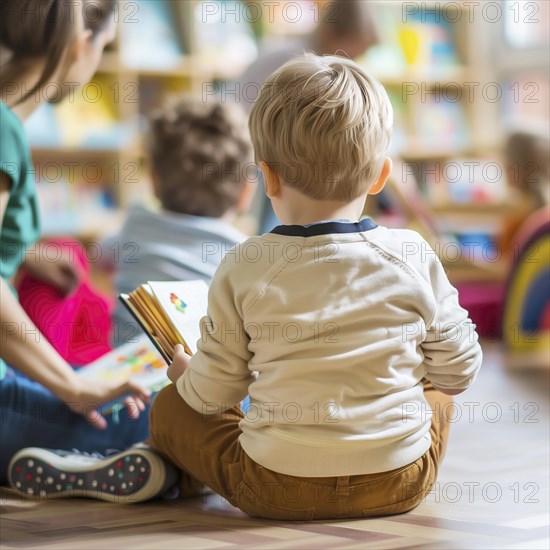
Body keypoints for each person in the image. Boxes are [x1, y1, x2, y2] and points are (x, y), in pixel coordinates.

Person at [9, 54, 483, 519]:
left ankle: (175, 474)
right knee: (436, 392)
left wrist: (183, 376)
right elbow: (459, 373)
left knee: (173, 409)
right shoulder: (415, 254)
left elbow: (212, 397)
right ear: (382, 175)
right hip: (401, 483)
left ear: (267, 178)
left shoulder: (245, 265)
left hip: (273, 489)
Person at [0, 0, 154, 487]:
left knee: (123, 390)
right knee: (177, 416)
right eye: (104, 46)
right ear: (80, 44)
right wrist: (73, 387)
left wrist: (22, 253)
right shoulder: (4, 131)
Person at [103, 97, 255, 347]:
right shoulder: (247, 256)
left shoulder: (136, 226)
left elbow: (101, 256)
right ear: (246, 193)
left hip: (123, 378)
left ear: (153, 181)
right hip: (203, 381)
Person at [232, 0, 380, 233]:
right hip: (251, 147)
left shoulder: (325, 71)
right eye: (354, 51)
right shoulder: (294, 64)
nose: (355, 61)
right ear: (332, 33)